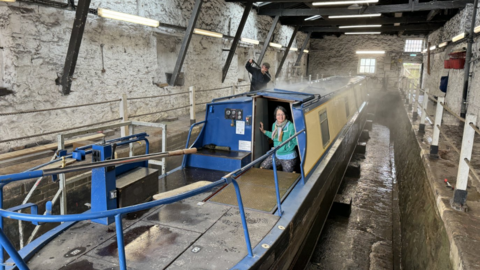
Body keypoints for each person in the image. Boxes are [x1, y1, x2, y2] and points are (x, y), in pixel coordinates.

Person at [259, 106, 297, 172]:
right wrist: (264, 131)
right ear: (275, 116)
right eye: (278, 114)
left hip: (288, 157)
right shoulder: (274, 125)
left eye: (283, 114)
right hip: (277, 154)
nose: (280, 116)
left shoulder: (291, 126)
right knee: (263, 167)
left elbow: (296, 141)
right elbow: (274, 136)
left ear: (285, 115)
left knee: (286, 177)